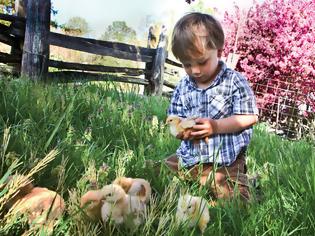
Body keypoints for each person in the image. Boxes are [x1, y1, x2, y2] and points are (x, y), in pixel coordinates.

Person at [165, 12, 259, 202]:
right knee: (161, 170)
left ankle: (246, 187)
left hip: (226, 161)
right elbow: (173, 119)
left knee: (233, 197)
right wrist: (180, 132)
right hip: (190, 158)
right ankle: (197, 179)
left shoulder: (234, 81)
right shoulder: (183, 86)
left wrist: (216, 127)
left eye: (201, 62)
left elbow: (250, 116)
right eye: (187, 64)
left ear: (219, 52)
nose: (195, 70)